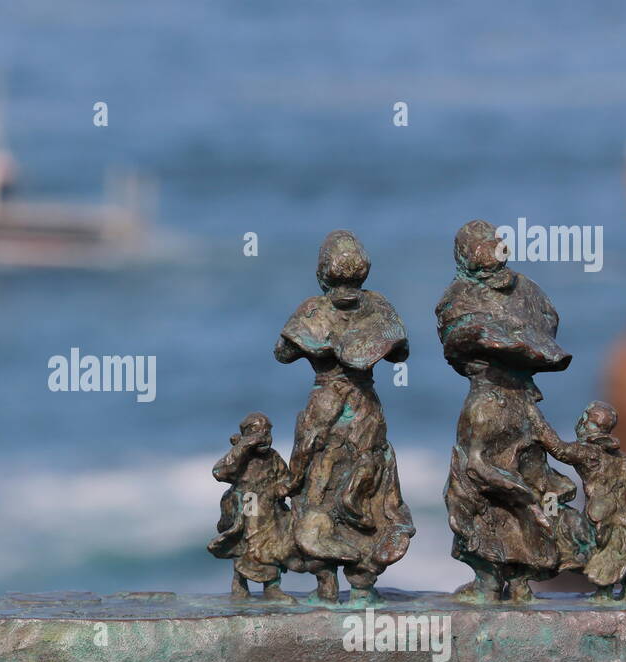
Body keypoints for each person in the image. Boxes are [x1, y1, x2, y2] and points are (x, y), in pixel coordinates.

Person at [436, 220, 590, 602]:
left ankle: (494, 580)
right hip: (522, 402)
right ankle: (520, 579)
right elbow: (547, 329)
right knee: (525, 475)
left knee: (473, 484)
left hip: (488, 400)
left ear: (463, 255)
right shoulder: (527, 291)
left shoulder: (462, 294)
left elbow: (454, 345)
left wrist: (495, 342)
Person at [275, 230, 415, 604]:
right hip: (365, 407)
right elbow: (400, 353)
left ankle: (326, 585)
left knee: (314, 486)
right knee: (368, 484)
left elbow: (283, 353)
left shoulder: (314, 310)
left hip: (325, 403)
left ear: (323, 273)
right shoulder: (379, 306)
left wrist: (321, 342)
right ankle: (364, 586)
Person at [553, 401, 626, 600]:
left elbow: (558, 450)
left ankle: (603, 594)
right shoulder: (623, 460)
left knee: (570, 529)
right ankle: (622, 594)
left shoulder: (587, 453)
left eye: (583, 419)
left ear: (585, 423)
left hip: (599, 514)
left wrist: (537, 425)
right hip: (623, 515)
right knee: (618, 550)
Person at [208, 413, 302, 602]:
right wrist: (243, 446)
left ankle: (272, 586)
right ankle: (240, 584)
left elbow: (285, 478)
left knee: (276, 544)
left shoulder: (273, 457)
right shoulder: (240, 456)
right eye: (258, 432)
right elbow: (219, 472)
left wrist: (283, 487)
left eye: (267, 431)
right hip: (247, 503)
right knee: (248, 541)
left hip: (271, 507)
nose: (264, 436)